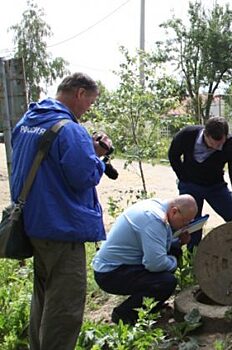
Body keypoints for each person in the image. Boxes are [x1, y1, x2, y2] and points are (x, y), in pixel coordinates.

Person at [10, 72, 111, 350]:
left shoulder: (28, 121)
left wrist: (84, 150)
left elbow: (46, 167)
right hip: (62, 227)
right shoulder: (70, 129)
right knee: (65, 306)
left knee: (42, 296)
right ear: (79, 93)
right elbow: (83, 176)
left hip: (35, 224)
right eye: (89, 101)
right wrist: (99, 158)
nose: (88, 108)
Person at [92, 195, 198, 325]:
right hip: (110, 273)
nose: (185, 225)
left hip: (121, 265)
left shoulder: (157, 206)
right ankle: (124, 314)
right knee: (166, 282)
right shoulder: (154, 219)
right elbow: (155, 264)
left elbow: (158, 246)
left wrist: (178, 243)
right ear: (174, 211)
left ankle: (149, 307)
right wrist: (173, 261)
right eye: (185, 221)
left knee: (167, 267)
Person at [168, 116, 232, 250]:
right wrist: (183, 176)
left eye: (220, 144)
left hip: (215, 187)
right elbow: (173, 155)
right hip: (190, 185)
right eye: (213, 144)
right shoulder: (187, 135)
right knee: (192, 225)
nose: (217, 148)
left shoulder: (231, 145)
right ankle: (193, 257)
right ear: (205, 134)